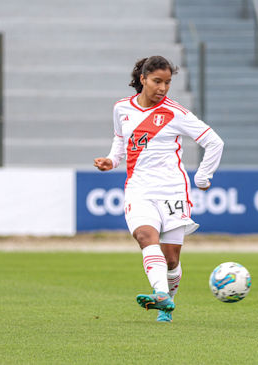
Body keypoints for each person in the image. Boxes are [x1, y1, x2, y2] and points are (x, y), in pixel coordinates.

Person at [93, 56, 224, 322]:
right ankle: (161, 293)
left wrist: (203, 176)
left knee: (171, 260)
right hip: (139, 188)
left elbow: (214, 142)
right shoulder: (121, 109)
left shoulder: (175, 112)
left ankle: (168, 301)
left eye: (167, 82)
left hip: (173, 190)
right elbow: (121, 140)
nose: (163, 88)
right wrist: (112, 160)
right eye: (157, 81)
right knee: (144, 236)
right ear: (142, 79)